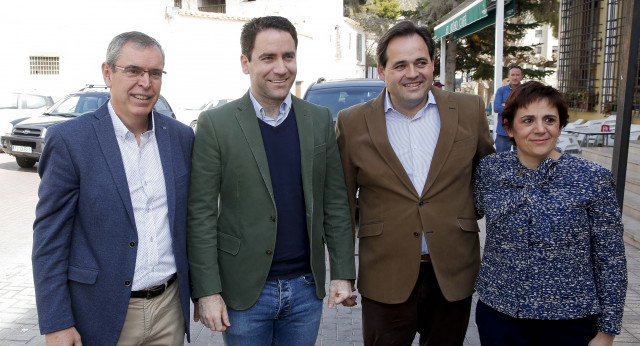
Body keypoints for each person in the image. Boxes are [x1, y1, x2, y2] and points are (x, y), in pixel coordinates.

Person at [187, 16, 356, 345]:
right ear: (245, 63)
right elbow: (201, 214)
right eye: (268, 58)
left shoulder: (318, 119)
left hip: (307, 291)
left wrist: (342, 271)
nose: (281, 68)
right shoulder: (216, 124)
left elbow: (335, 202)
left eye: (288, 56)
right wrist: (207, 291)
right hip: (244, 294)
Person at [336, 20, 495, 345]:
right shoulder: (352, 123)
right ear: (382, 71)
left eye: (421, 62)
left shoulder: (469, 110)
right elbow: (340, 202)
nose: (413, 73)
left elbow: (491, 178)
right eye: (400, 65)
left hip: (452, 271)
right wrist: (342, 273)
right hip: (385, 273)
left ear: (432, 64)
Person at [31, 31, 194, 345]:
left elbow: (190, 221)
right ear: (107, 73)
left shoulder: (180, 137)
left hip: (169, 309)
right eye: (133, 71)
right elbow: (49, 240)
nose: (145, 83)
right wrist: (57, 322)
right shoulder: (70, 141)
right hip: (101, 312)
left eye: (155, 73)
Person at [473, 81, 627, 346]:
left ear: (560, 125)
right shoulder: (490, 170)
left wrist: (607, 331)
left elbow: (610, 258)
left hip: (570, 322)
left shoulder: (592, 177)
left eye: (549, 120)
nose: (540, 129)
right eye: (528, 120)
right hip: (500, 316)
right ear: (509, 127)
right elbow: (463, 214)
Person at [493, 65, 523, 152]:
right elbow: (497, 108)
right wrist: (517, 107)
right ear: (508, 76)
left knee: (521, 161)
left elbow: (528, 109)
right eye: (513, 75)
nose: (515, 77)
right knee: (501, 160)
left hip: (521, 132)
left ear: (521, 76)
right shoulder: (501, 91)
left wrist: (506, 105)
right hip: (503, 132)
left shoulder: (526, 91)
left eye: (517, 75)